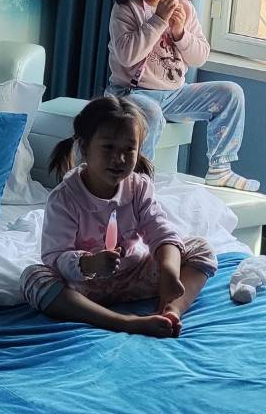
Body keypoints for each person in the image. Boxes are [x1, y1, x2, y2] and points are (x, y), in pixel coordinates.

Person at [20, 96, 217, 338]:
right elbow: (55, 256)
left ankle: (171, 310)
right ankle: (123, 322)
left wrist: (169, 271)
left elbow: (161, 232)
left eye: (129, 149)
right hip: (84, 287)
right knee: (34, 278)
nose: (119, 158)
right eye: (108, 147)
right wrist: (90, 264)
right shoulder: (65, 198)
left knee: (201, 248)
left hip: (135, 277)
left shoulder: (138, 188)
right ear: (84, 148)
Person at [106, 0, 259, 192]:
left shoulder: (185, 9)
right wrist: (158, 20)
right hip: (131, 94)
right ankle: (139, 179)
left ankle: (220, 168)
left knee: (231, 92)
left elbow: (200, 56)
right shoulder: (127, 8)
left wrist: (179, 33)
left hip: (175, 94)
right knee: (151, 112)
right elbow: (127, 56)